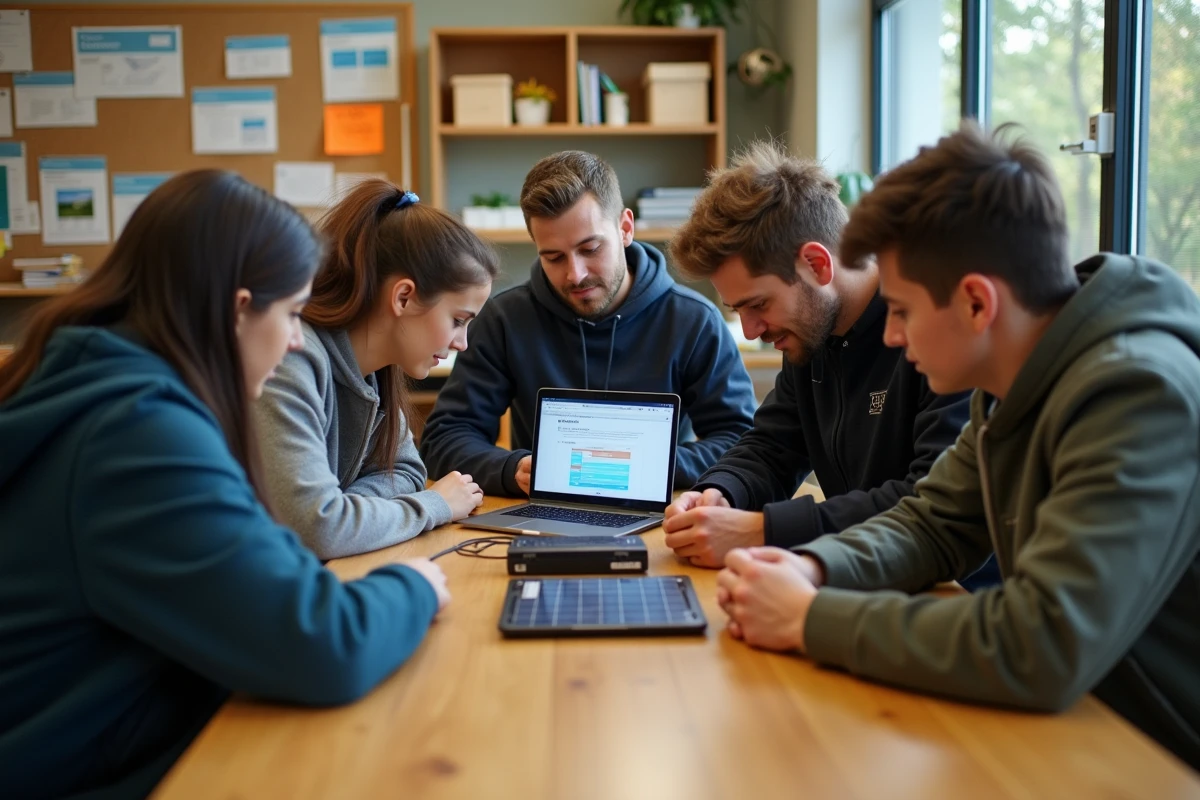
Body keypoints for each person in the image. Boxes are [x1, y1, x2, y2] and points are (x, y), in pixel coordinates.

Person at [715, 123, 1200, 771]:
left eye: (903, 310)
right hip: (1081, 723)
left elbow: (1043, 644)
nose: (888, 336)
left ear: (977, 303)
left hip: (1155, 752)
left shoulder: (1136, 392)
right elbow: (933, 523)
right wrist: (814, 569)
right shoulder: (1011, 377)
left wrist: (810, 619)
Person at [0, 171, 451, 799]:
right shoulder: (138, 435)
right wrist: (415, 585)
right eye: (292, 313)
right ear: (237, 310)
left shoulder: (105, 387)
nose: (298, 338)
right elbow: (324, 643)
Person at [663, 141, 975, 574]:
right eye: (739, 311)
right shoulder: (813, 333)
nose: (751, 330)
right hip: (861, 575)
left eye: (758, 304)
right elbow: (774, 446)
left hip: (956, 593)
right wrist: (721, 492)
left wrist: (764, 530)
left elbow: (928, 499)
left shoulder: (940, 328)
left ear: (817, 264)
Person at [419, 150, 757, 497]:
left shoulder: (693, 321)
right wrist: (511, 469)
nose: (575, 274)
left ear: (626, 228)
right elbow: (444, 439)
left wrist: (647, 466)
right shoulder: (505, 319)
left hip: (661, 516)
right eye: (553, 257)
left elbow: (741, 441)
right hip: (541, 514)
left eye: (591, 248)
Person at [253, 181, 497, 559]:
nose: (461, 343)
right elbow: (319, 529)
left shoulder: (374, 371)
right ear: (403, 297)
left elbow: (408, 471)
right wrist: (434, 506)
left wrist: (348, 510)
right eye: (458, 320)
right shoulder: (291, 359)